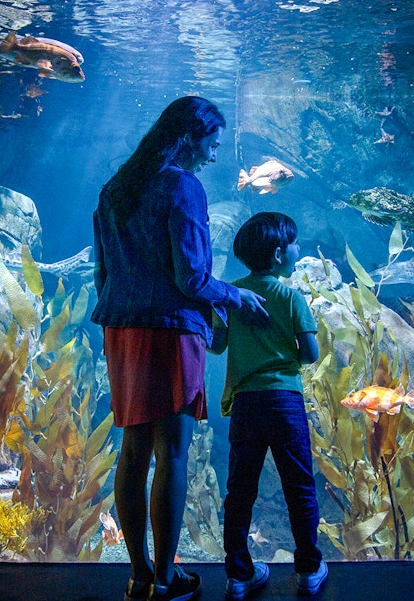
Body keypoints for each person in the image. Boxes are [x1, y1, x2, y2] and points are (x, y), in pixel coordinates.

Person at [91, 96, 269, 601]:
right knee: (172, 450)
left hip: (121, 330)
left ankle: (140, 574)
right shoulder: (183, 188)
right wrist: (236, 296)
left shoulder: (113, 190)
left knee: (133, 449)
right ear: (190, 137)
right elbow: (191, 276)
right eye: (212, 144)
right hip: (169, 330)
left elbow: (103, 273)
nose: (215, 156)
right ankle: (167, 579)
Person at [210, 211, 328, 600]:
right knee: (300, 485)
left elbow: (216, 344)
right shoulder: (292, 298)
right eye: (294, 244)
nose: (298, 249)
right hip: (285, 401)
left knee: (240, 489)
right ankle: (309, 568)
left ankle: (239, 573)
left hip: (246, 403)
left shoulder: (231, 296)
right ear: (279, 255)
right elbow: (310, 354)